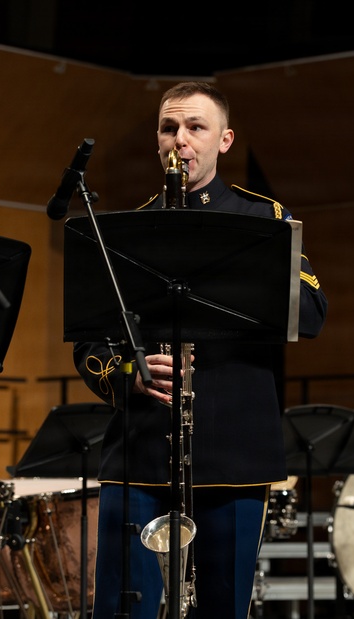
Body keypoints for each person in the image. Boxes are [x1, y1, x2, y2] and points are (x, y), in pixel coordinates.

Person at [73, 81, 328, 619]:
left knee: (222, 607)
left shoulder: (264, 219)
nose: (180, 140)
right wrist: (128, 375)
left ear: (225, 140)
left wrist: (238, 272)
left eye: (195, 128)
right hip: (140, 451)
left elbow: (312, 316)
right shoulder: (124, 230)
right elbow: (89, 344)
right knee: (125, 607)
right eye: (169, 128)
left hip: (235, 450)